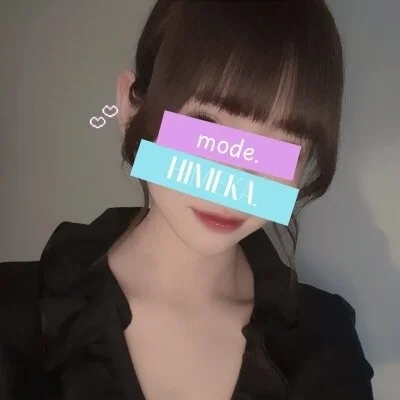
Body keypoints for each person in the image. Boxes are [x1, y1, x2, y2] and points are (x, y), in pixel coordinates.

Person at [0, 0, 375, 399]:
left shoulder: (327, 345)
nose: (233, 176)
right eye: (205, 124)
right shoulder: (13, 313)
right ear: (131, 107)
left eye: (280, 146)